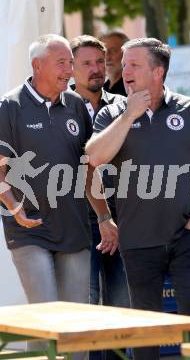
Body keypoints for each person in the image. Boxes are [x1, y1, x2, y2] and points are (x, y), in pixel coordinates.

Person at [85, 38, 190, 360]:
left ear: (158, 72)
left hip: (186, 237)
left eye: (134, 64)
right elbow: (94, 158)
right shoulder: (112, 114)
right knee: (146, 329)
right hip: (138, 241)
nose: (123, 70)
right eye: (123, 63)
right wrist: (129, 115)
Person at [0, 34, 118, 360]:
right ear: (37, 65)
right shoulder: (11, 106)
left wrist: (104, 217)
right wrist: (15, 209)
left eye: (71, 64)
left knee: (75, 323)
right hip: (29, 228)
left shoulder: (75, 105)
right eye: (62, 63)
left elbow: (89, 170)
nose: (70, 71)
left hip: (74, 228)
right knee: (45, 314)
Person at [70, 34, 130, 360]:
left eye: (100, 62)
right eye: (86, 64)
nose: (96, 69)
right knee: (88, 307)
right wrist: (103, 218)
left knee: (122, 306)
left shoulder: (122, 107)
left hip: (123, 222)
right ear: (71, 68)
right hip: (78, 224)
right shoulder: (59, 110)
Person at [99, 30, 129, 97]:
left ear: (126, 54)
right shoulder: (102, 89)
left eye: (113, 51)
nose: (107, 56)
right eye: (104, 51)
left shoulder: (132, 88)